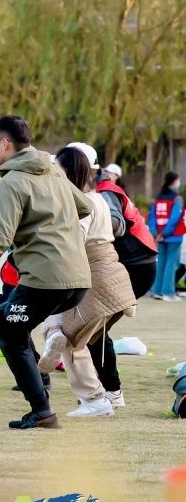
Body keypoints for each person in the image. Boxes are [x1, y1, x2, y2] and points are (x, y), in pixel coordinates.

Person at [0, 115, 92, 430]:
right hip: (78, 279)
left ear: (4, 144)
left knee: (11, 336)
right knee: (13, 319)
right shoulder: (53, 171)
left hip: (45, 278)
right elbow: (85, 206)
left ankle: (42, 411)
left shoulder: (10, 183)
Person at [35, 147, 136, 418]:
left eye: (57, 168)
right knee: (73, 334)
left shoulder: (79, 204)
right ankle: (107, 396)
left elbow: (75, 242)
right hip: (112, 276)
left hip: (94, 279)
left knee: (70, 341)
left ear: (67, 171)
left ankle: (95, 400)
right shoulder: (98, 198)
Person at [88, 156, 157, 405]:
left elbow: (116, 225)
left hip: (134, 267)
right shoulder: (98, 190)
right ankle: (107, 390)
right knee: (91, 328)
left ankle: (111, 391)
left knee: (93, 328)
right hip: (131, 265)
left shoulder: (104, 192)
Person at [148, 171, 183, 300]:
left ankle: (157, 291)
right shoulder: (177, 198)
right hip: (173, 236)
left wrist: (156, 234)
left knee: (161, 262)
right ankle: (168, 293)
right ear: (174, 181)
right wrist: (164, 233)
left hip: (160, 236)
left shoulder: (158, 198)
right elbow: (175, 217)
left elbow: (152, 217)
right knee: (171, 264)